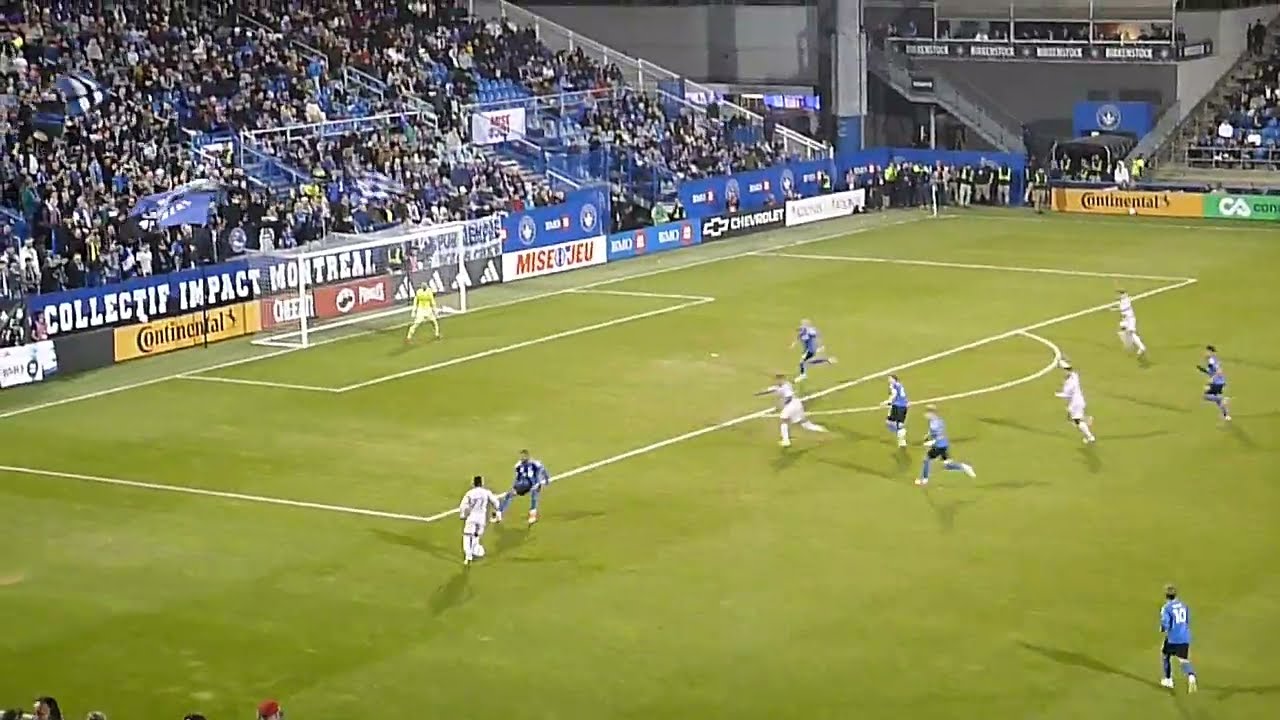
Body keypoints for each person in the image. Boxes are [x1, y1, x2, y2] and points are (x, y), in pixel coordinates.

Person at [756, 373, 827, 447]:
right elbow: (769, 389)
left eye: (777, 380)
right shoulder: (780, 385)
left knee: (783, 420)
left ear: (781, 380)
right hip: (796, 404)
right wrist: (758, 393)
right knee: (804, 424)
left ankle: (786, 441)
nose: (776, 382)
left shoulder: (786, 386)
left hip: (792, 405)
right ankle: (821, 429)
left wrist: (781, 405)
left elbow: (788, 397)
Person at [915, 405, 976, 486]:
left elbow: (938, 437)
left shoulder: (933, 424)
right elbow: (938, 432)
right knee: (948, 465)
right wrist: (928, 435)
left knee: (926, 459)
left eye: (927, 413)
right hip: (944, 444)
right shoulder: (939, 420)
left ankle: (924, 480)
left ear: (931, 413)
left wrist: (930, 442)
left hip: (939, 446)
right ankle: (964, 467)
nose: (925, 415)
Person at [1159, 583, 1197, 692]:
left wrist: (1162, 628)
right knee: (1183, 660)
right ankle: (1191, 675)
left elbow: (1166, 624)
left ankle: (1168, 679)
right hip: (1185, 636)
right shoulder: (1184, 605)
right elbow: (1187, 620)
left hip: (1173, 638)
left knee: (1165, 655)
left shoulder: (1166, 608)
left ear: (1166, 596)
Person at [496, 450, 550, 524]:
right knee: (510, 494)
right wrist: (515, 486)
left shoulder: (535, 463)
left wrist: (546, 479)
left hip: (533, 483)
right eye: (521, 456)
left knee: (534, 495)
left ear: (528, 456)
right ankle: (499, 513)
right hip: (523, 484)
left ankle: (532, 515)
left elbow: (543, 470)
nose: (522, 458)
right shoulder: (518, 465)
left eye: (524, 456)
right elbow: (517, 478)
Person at [460, 475, 502, 564]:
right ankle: (475, 550)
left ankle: (468, 557)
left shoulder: (470, 493)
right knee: (476, 535)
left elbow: (463, 505)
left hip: (472, 516)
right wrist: (497, 511)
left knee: (467, 536)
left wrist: (463, 515)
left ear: (473, 483)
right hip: (481, 518)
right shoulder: (486, 492)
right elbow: (495, 502)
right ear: (482, 483)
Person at [1055, 362, 1096, 443]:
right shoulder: (1075, 376)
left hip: (1075, 403)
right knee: (1071, 419)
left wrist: (1057, 394)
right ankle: (1086, 421)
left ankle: (1090, 436)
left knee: (1077, 421)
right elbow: (1069, 368)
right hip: (1078, 401)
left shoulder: (1069, 385)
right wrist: (1060, 363)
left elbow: (1067, 395)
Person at [1197, 345, 1231, 421]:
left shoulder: (1211, 360)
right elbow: (1211, 371)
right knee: (1218, 401)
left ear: (1211, 352)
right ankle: (1226, 415)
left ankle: (1223, 399)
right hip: (1219, 382)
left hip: (1217, 382)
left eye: (1207, 351)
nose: (1205, 353)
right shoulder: (1212, 360)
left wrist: (1212, 379)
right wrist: (1202, 370)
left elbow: (1219, 371)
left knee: (1206, 396)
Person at [1115, 290, 1147, 356]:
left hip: (1130, 319)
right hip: (1125, 320)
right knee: (1122, 331)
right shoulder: (1122, 302)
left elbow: (1122, 307)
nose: (1120, 295)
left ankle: (1141, 347)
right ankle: (1133, 344)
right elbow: (1120, 308)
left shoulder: (1126, 299)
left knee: (1131, 333)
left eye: (1121, 294)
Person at [882, 374, 910, 448]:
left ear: (894, 379)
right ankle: (900, 433)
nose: (889, 380)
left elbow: (894, 395)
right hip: (900, 406)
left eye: (890, 379)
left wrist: (887, 402)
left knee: (898, 425)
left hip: (899, 407)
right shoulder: (898, 385)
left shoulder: (894, 386)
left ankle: (902, 438)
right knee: (889, 422)